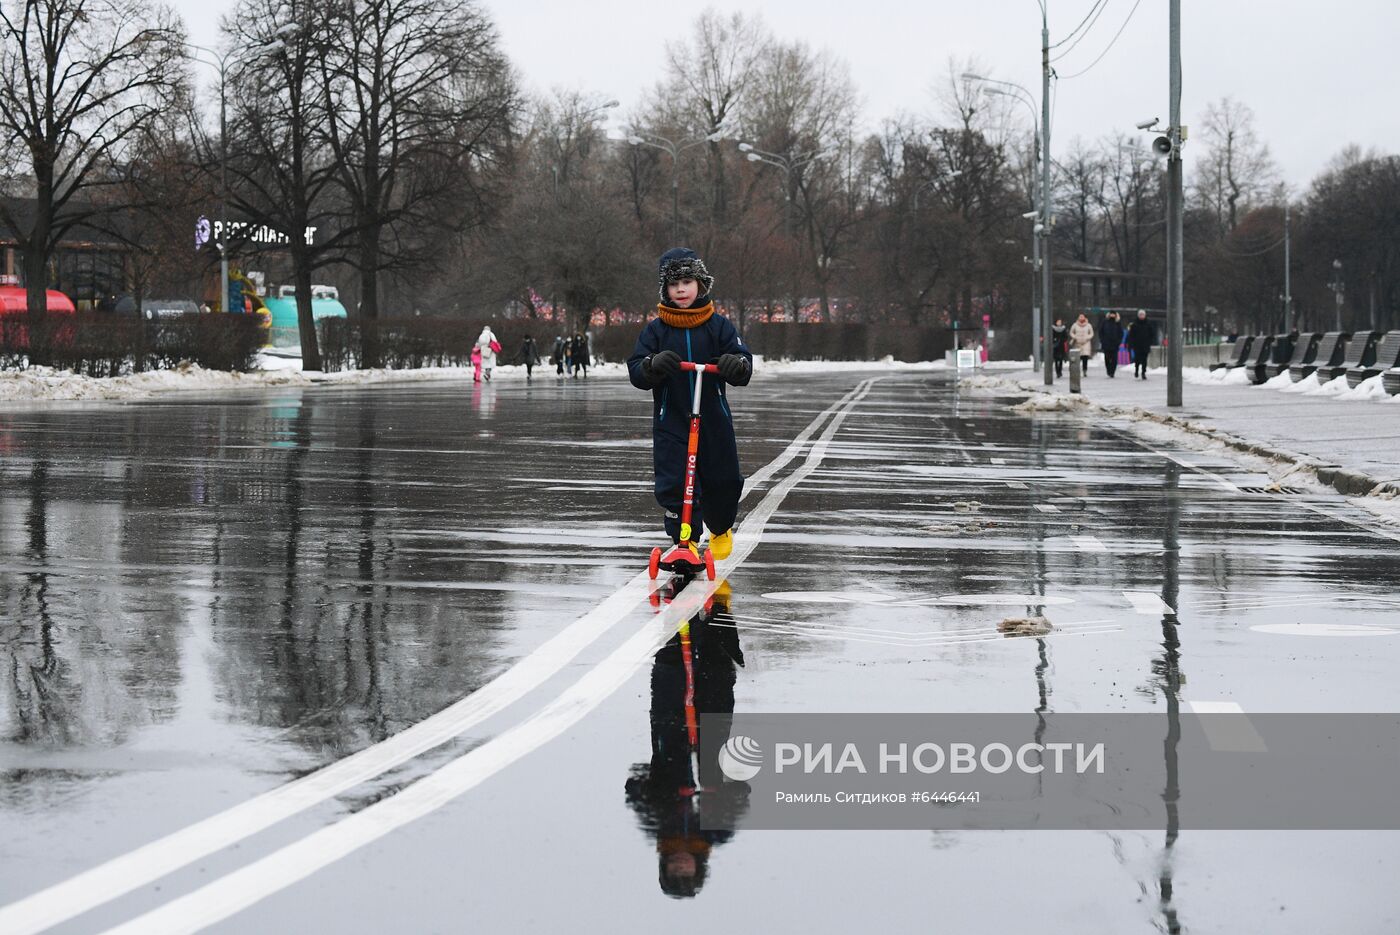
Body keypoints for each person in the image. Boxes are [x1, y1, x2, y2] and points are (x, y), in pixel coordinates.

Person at [628, 247, 753, 560]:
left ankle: (721, 526)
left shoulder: (719, 326)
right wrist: (652, 365)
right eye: (673, 284)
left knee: (722, 479)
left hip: (713, 417)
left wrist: (735, 364)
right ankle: (685, 538)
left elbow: (743, 362)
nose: (680, 289)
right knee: (675, 481)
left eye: (687, 281)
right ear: (665, 290)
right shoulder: (656, 330)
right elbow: (636, 368)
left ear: (701, 284)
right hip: (672, 417)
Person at [1128, 309, 1156, 379]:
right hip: (1137, 345)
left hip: (1145, 345)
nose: (1141, 316)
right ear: (1138, 315)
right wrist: (1131, 343)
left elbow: (1152, 334)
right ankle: (1136, 370)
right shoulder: (1134, 324)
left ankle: (1143, 372)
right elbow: (1131, 335)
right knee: (1137, 359)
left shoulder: (1148, 324)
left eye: (1143, 314)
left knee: (1144, 359)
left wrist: (1150, 342)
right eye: (1140, 315)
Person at [1100, 311, 1124, 378]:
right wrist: (1102, 340)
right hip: (1106, 344)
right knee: (1107, 358)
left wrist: (1119, 341)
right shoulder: (1105, 322)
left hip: (1115, 344)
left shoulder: (1118, 323)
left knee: (1114, 359)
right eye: (1111, 314)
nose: (1112, 315)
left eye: (1114, 314)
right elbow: (1101, 332)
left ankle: (1112, 372)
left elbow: (1121, 333)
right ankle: (1108, 370)